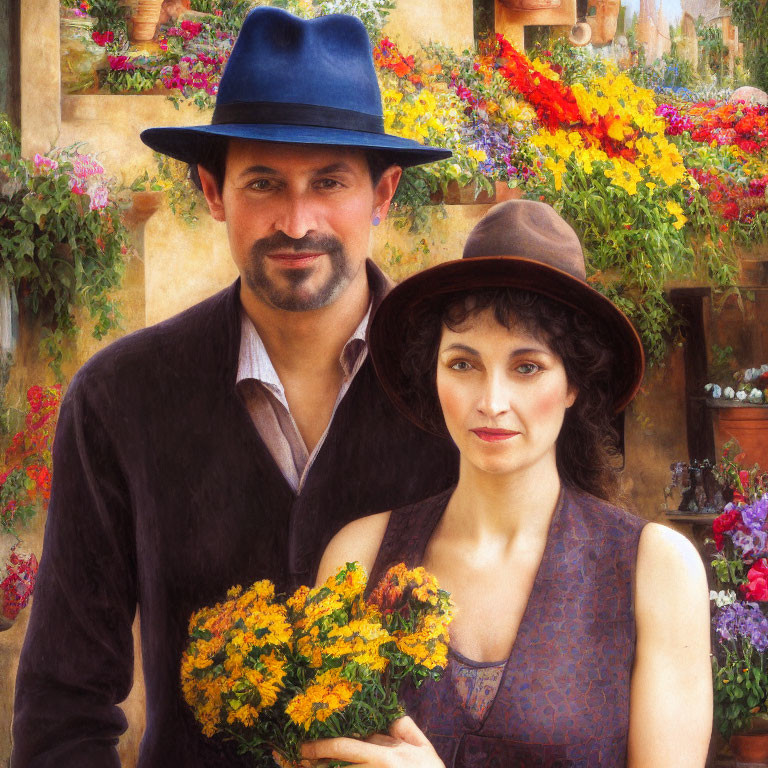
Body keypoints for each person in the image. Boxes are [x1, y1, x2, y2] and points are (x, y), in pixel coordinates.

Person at [12, 9, 458, 767]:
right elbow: (62, 703)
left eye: (329, 183)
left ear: (382, 196)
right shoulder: (120, 399)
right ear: (212, 191)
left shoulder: (461, 394)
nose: (297, 220)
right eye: (263, 182)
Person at [304, 201, 713, 767]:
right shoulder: (358, 557)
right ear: (433, 372)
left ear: (574, 384)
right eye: (463, 364)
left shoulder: (655, 570)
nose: (491, 402)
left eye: (527, 367)